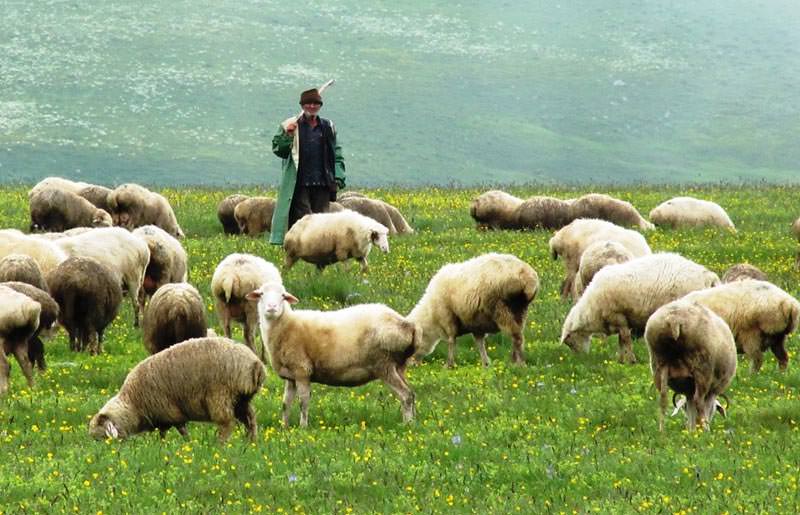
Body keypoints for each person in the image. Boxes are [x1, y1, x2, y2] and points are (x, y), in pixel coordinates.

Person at [269, 88, 345, 245]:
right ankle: (297, 249)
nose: (312, 106)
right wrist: (287, 135)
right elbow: (279, 150)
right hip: (299, 183)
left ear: (320, 106)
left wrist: (338, 176)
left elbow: (336, 152)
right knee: (302, 222)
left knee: (321, 222)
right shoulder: (289, 125)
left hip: (323, 182)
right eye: (308, 103)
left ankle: (318, 253)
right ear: (302, 105)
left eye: (316, 103)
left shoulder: (328, 126)